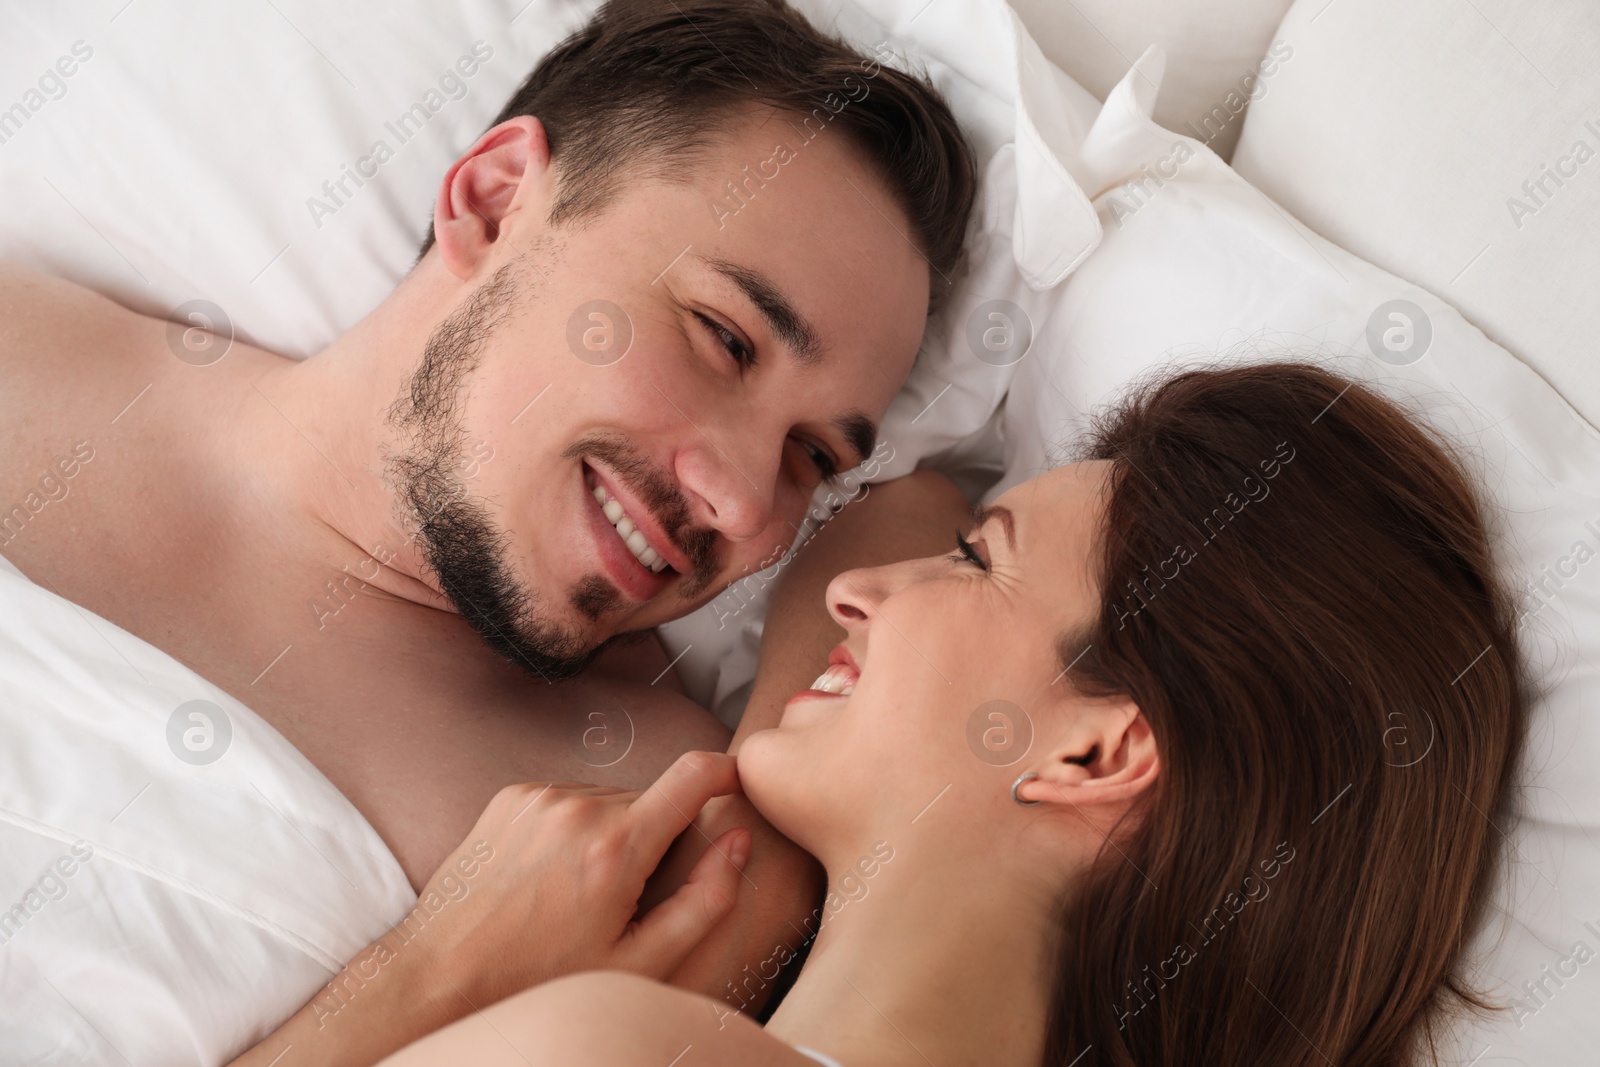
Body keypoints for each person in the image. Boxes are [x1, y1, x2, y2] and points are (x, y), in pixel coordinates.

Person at [0, 0, 976, 1050]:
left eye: (812, 457)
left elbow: (909, 519)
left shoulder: (656, 824)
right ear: (497, 199)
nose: (743, 505)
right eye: (723, 338)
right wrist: (423, 977)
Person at [321, 362, 1528, 1066]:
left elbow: (891, 501)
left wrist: (430, 971)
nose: (855, 590)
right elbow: (902, 500)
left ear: (1096, 746)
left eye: (974, 562)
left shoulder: (614, 1046)